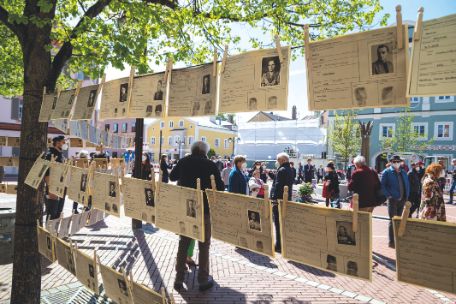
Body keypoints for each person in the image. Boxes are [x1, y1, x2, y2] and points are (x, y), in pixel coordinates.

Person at [169, 141, 224, 292]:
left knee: (183, 242)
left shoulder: (184, 161)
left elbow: (172, 176)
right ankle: (202, 280)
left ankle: (178, 279)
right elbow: (219, 187)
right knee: (204, 244)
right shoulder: (210, 165)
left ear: (193, 150)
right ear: (204, 151)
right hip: (204, 209)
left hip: (186, 208)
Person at [381, 155, 410, 248]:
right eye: (394, 161)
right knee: (392, 220)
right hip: (393, 200)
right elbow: (382, 186)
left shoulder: (403, 172)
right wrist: (388, 196)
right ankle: (391, 241)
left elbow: (407, 184)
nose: (397, 163)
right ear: (391, 162)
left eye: (398, 161)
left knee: (399, 220)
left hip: (402, 199)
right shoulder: (387, 172)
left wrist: (406, 196)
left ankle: (398, 239)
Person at [270, 152, 293, 253]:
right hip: (286, 199)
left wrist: (273, 199)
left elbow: (278, 186)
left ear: (283, 160)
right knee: (283, 222)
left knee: (278, 223)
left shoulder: (282, 170)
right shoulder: (291, 169)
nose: (277, 162)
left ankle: (278, 245)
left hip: (279, 200)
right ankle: (283, 243)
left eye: (278, 160)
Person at [44, 136, 68, 220]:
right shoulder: (50, 155)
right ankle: (48, 231)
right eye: (63, 142)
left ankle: (54, 232)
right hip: (53, 189)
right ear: (57, 143)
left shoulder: (60, 155)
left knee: (58, 212)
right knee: (52, 213)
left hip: (61, 187)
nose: (65, 144)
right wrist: (50, 189)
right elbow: (46, 173)